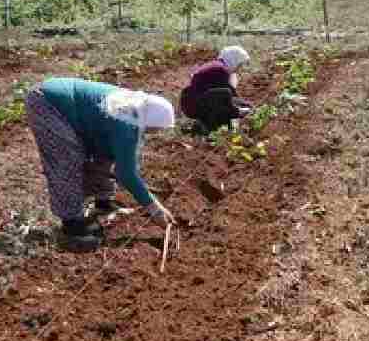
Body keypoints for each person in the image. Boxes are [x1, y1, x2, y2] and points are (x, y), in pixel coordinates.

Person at [24, 77, 178, 251]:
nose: (156, 133)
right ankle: (72, 227)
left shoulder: (135, 110)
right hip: (48, 102)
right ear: (150, 120)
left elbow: (118, 153)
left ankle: (103, 204)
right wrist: (154, 208)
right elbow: (126, 173)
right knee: (66, 160)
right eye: (157, 129)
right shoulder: (126, 124)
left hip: (66, 103)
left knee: (104, 152)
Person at [179, 45, 254, 132]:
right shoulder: (221, 69)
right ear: (234, 60)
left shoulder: (218, 66)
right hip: (194, 104)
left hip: (192, 102)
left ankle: (206, 125)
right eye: (239, 65)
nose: (238, 68)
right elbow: (229, 95)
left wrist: (245, 106)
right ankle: (211, 128)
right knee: (225, 96)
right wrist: (241, 110)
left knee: (225, 98)